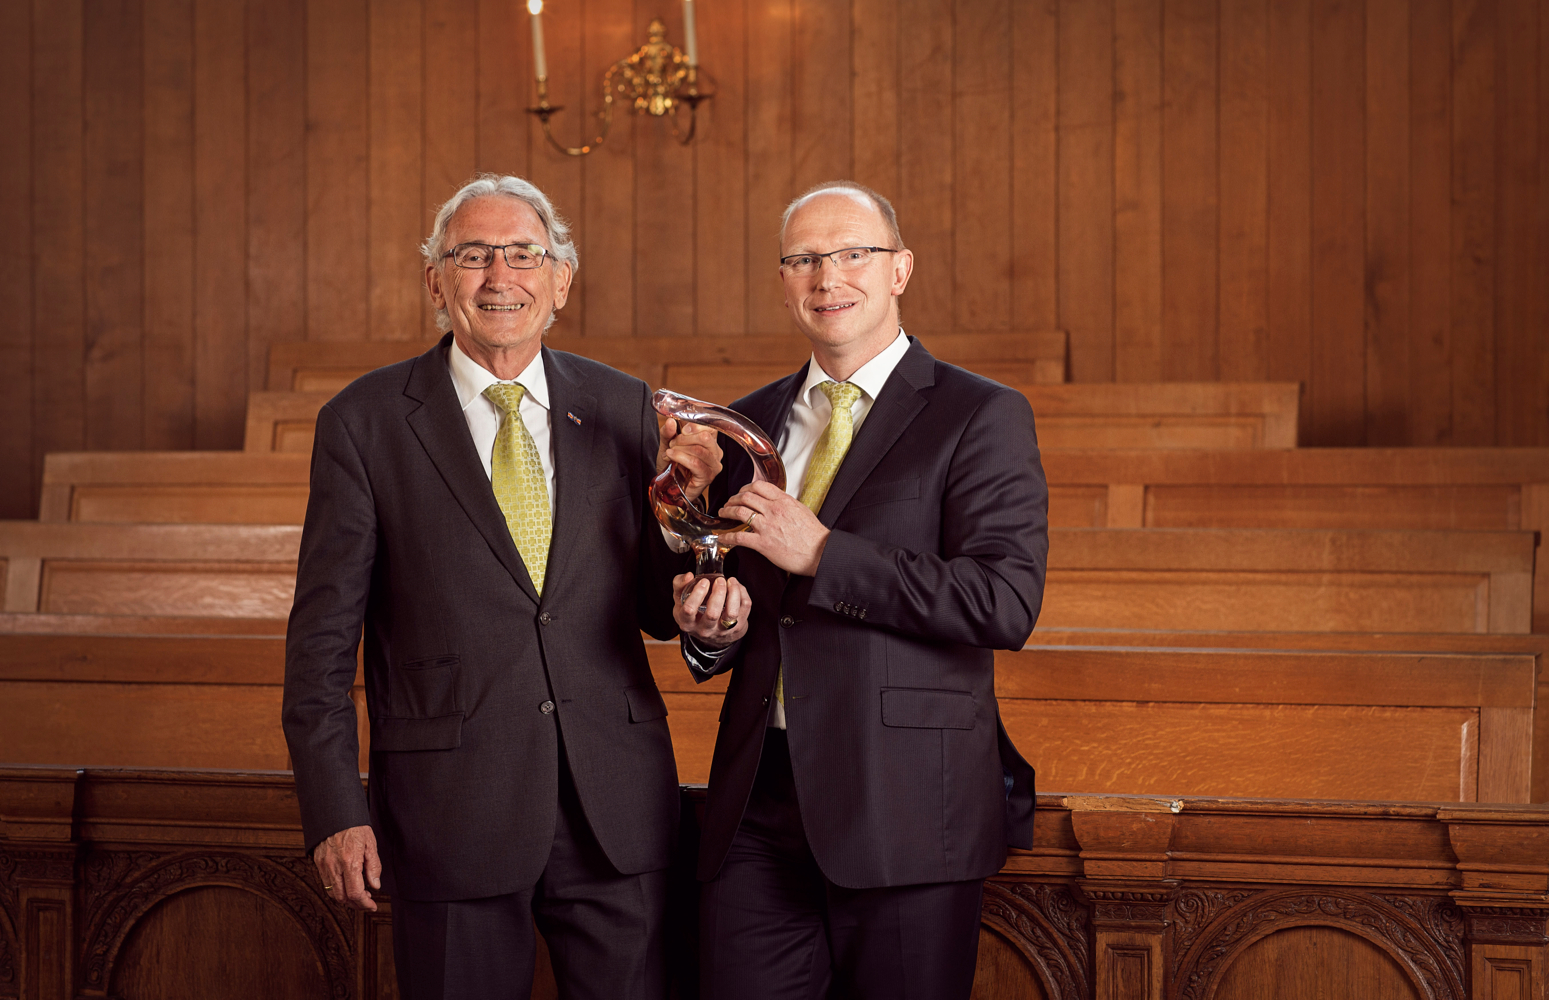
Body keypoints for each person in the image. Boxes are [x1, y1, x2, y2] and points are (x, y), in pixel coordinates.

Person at [282, 173, 718, 1000]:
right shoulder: (364, 421)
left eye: (524, 253)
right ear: (435, 283)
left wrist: (686, 517)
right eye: (472, 254)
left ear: (560, 282)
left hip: (615, 809)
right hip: (451, 811)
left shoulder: (623, 405)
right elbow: (321, 645)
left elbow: (657, 610)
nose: (499, 275)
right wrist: (336, 808)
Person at [674, 181, 1048, 999]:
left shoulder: (979, 413)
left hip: (908, 805)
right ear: (783, 280)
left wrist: (824, 555)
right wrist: (711, 626)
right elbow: (738, 598)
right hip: (756, 803)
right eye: (804, 258)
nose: (827, 276)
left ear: (900, 269)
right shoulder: (744, 425)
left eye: (853, 254)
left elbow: (1004, 600)